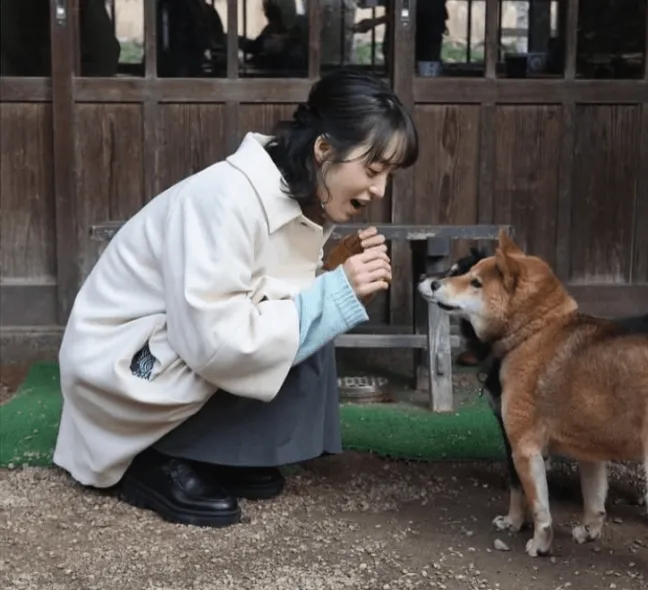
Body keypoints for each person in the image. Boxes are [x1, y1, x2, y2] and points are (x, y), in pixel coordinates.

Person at [53, 69, 419, 528]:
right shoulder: (224, 197)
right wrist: (334, 291)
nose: (380, 190)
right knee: (307, 312)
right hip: (120, 359)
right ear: (323, 149)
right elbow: (212, 339)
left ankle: (223, 452)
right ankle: (150, 458)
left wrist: (331, 280)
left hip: (178, 336)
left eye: (388, 174)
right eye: (372, 170)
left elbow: (269, 302)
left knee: (313, 315)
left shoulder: (299, 197)